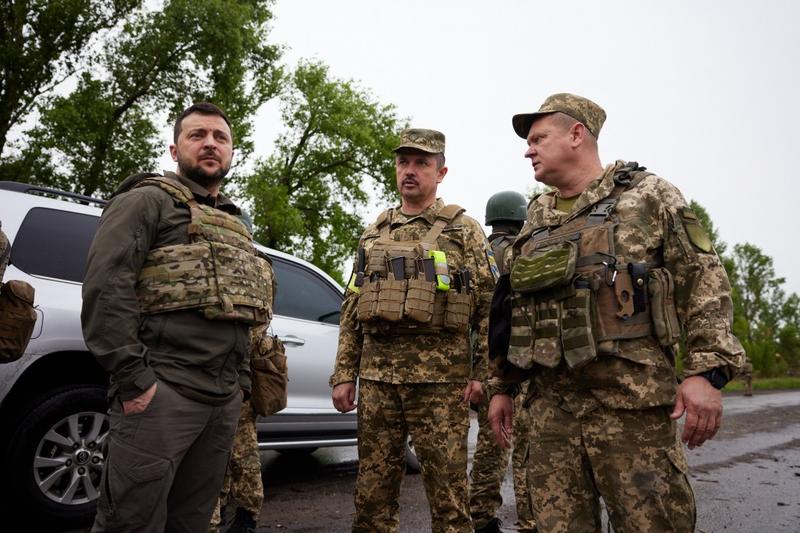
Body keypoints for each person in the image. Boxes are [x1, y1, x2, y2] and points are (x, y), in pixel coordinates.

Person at [488, 93, 745, 533]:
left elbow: (702, 278)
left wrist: (706, 371)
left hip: (633, 409)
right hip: (551, 414)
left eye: (538, 138)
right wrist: (502, 385)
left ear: (576, 134)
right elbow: (511, 308)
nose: (528, 149)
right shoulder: (536, 218)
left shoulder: (648, 196)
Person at [82, 102, 273, 532]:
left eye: (220, 137)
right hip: (163, 393)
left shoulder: (235, 223)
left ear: (232, 151)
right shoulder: (146, 201)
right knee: (131, 522)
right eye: (197, 135)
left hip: (222, 402)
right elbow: (105, 290)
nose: (210, 144)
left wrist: (240, 386)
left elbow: (244, 312)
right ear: (174, 149)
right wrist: (135, 380)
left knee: (191, 524)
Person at [331, 128, 495, 533]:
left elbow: (490, 309)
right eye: (404, 162)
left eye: (421, 163)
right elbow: (353, 307)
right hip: (377, 383)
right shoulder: (374, 232)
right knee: (371, 501)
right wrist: (343, 374)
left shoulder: (464, 231)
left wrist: (484, 376)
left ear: (441, 172)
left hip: (440, 386)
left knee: (450, 501)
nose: (410, 170)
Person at [469, 191, 536, 533]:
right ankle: (530, 519)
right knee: (522, 444)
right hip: (511, 365)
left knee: (490, 444)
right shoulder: (519, 252)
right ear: (520, 218)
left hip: (478, 367)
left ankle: (479, 514)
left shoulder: (479, 253)